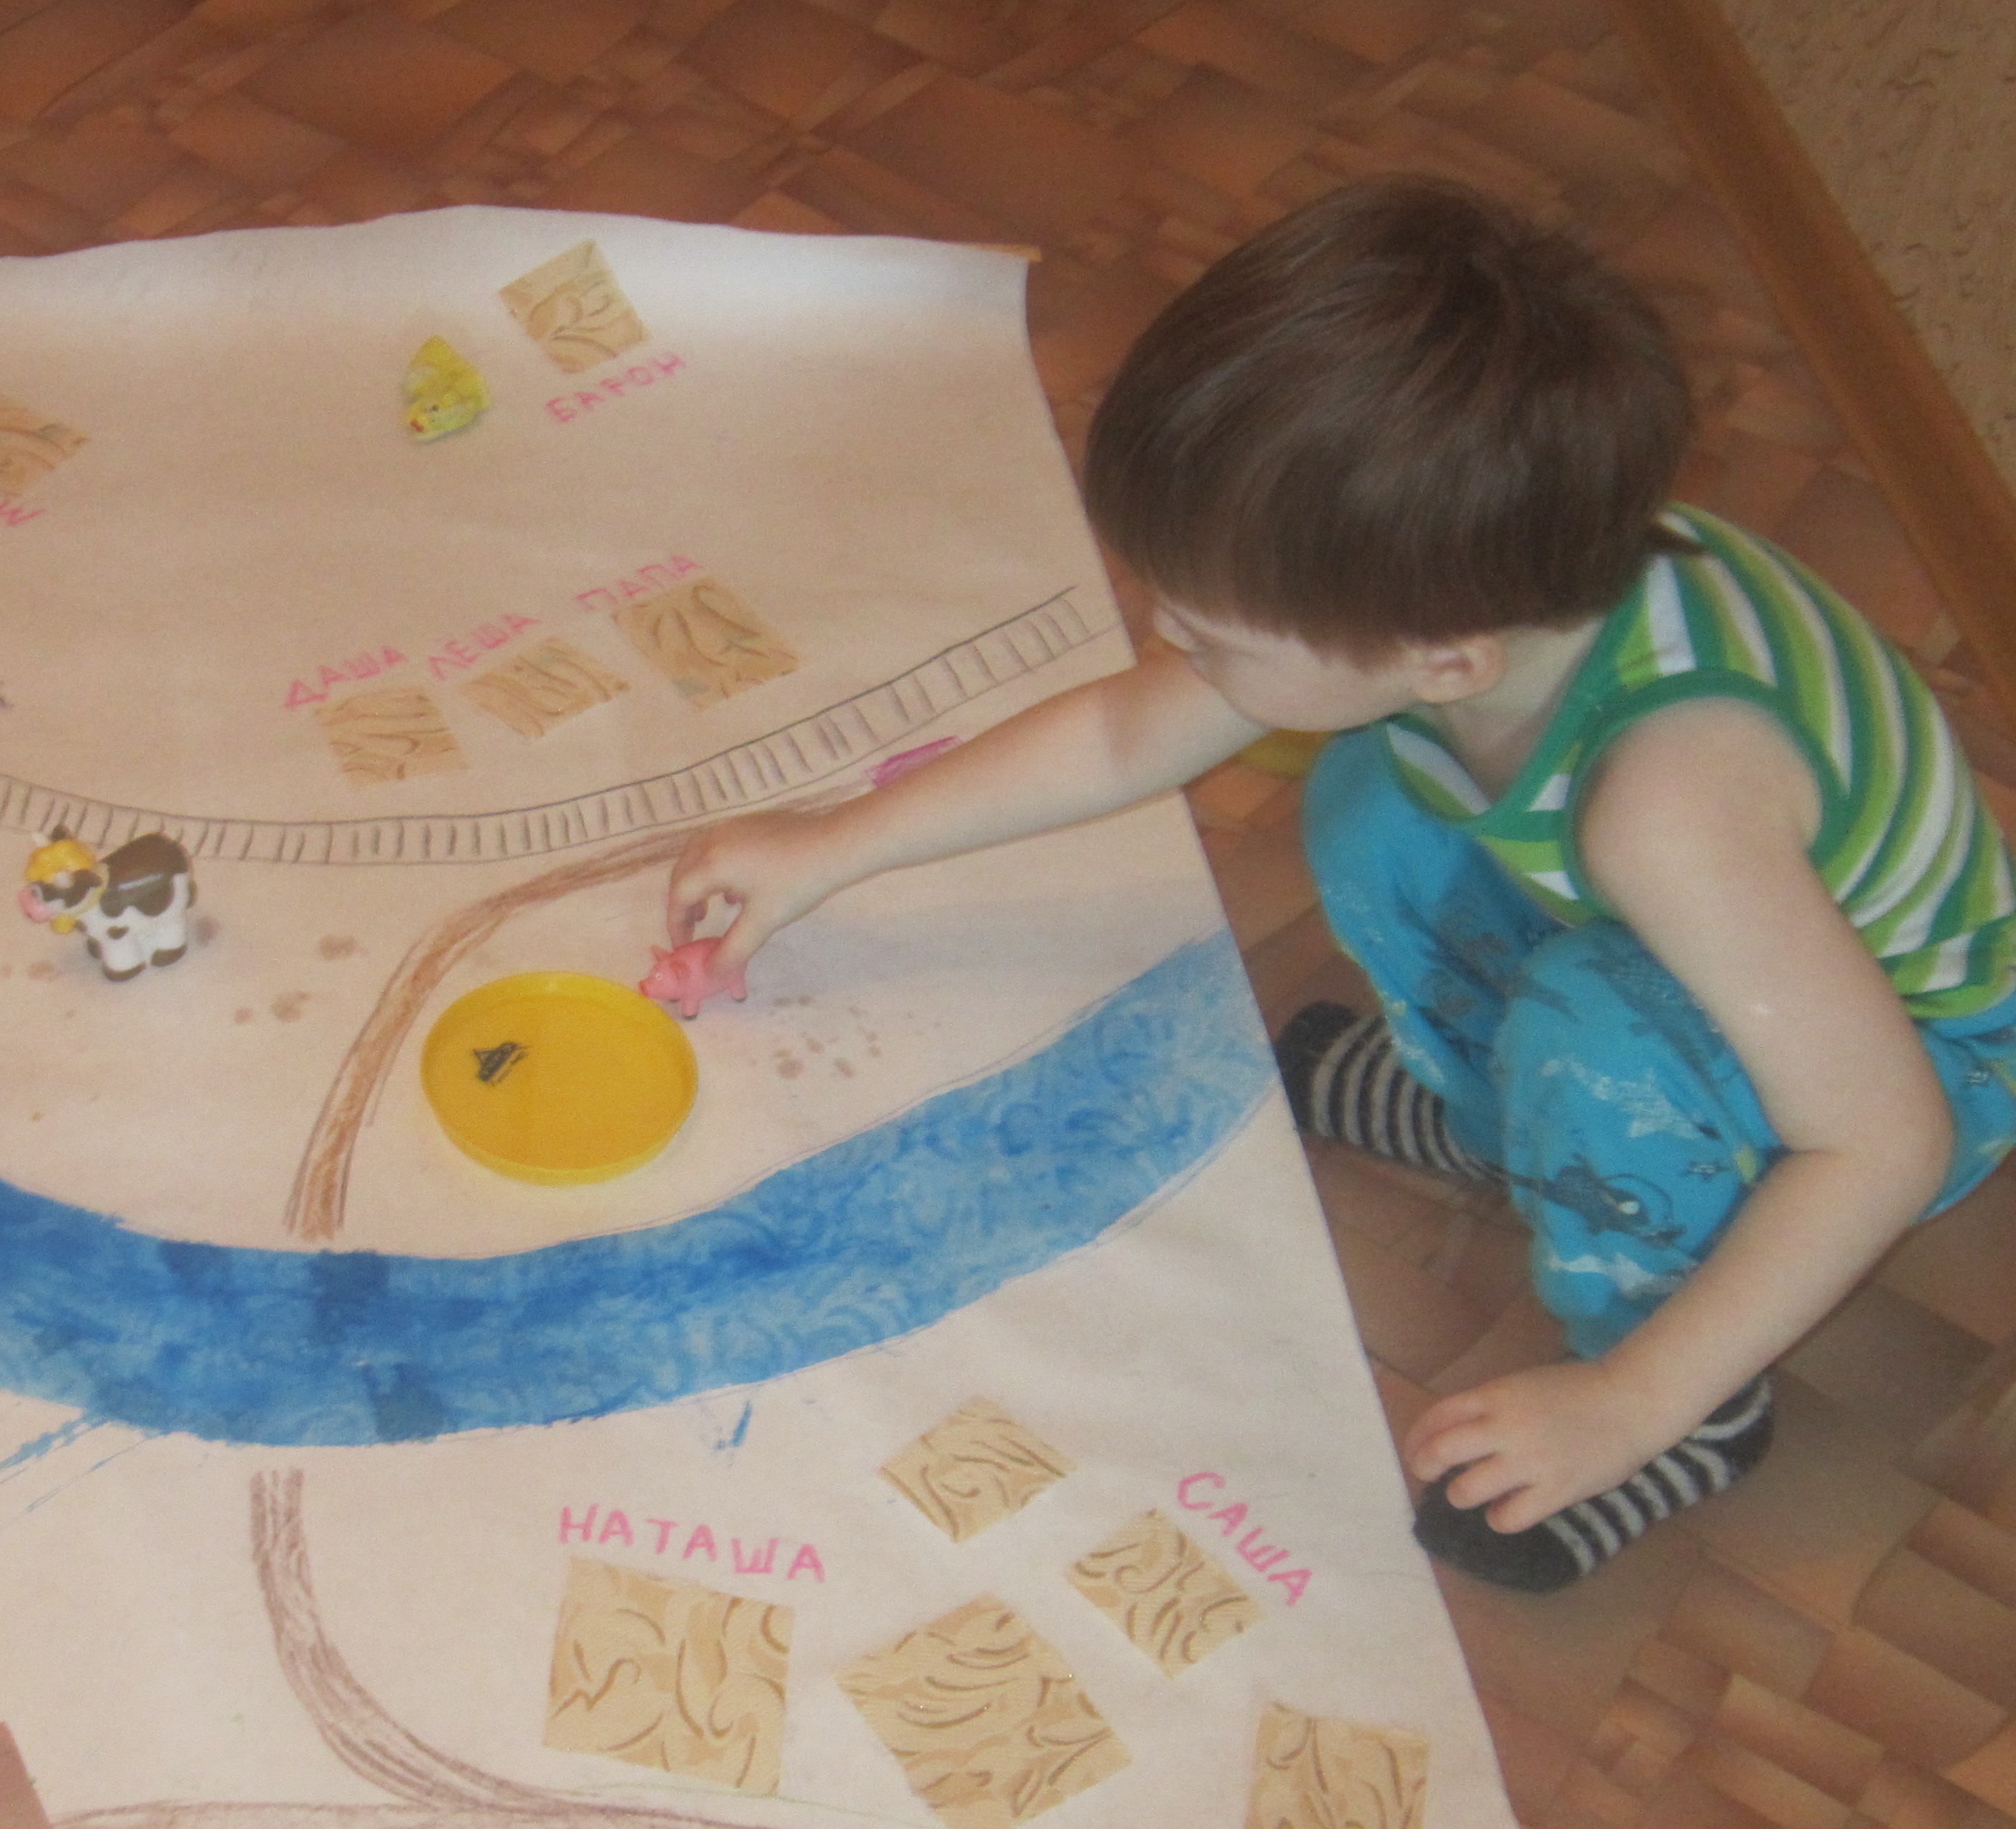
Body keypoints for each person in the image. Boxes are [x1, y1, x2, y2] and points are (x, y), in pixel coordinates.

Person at [667, 176, 2016, 1592]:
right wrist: (833, 846)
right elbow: (1127, 734)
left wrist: (1632, 1403)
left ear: (1447, 658)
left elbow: (1882, 1144)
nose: (1165, 639)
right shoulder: (1476, 579)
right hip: (1696, 943)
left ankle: (1694, 1386)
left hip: (1918, 1061)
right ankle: (1504, 1121)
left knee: (1600, 1032)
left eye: (1209, 634)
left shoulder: (1672, 809)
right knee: (1374, 792)